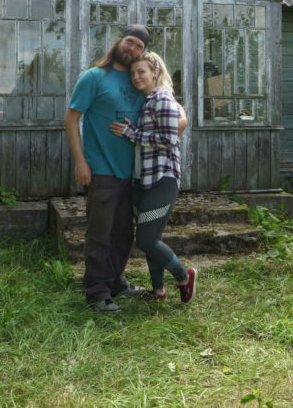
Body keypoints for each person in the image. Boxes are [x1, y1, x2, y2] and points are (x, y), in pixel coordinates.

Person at [65, 25, 152, 312]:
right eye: (130, 42)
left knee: (124, 233)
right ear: (119, 41)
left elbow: (164, 104)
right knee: (100, 232)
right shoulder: (94, 77)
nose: (133, 49)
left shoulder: (137, 79)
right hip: (101, 167)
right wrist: (80, 161)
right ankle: (96, 290)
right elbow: (71, 118)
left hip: (132, 171)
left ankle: (115, 281)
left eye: (139, 47)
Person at [110, 51, 197, 303]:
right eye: (133, 73)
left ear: (155, 72)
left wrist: (131, 133)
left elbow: (169, 140)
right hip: (144, 179)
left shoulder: (162, 98)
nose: (136, 77)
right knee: (151, 238)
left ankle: (184, 276)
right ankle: (158, 290)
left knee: (146, 239)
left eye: (142, 72)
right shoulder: (148, 100)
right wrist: (135, 128)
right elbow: (153, 134)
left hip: (162, 179)